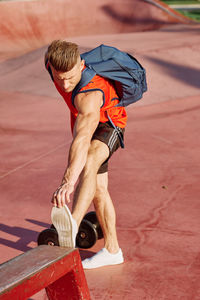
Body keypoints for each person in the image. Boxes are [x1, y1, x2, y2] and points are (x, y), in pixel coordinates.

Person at [45, 40, 127, 269]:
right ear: (51, 66)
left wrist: (68, 182)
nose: (65, 83)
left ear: (81, 66)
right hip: (83, 121)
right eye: (59, 77)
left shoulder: (89, 93)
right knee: (99, 189)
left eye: (70, 77)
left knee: (89, 159)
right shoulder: (53, 65)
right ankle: (113, 250)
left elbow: (82, 138)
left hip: (109, 125)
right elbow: (80, 135)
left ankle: (72, 225)